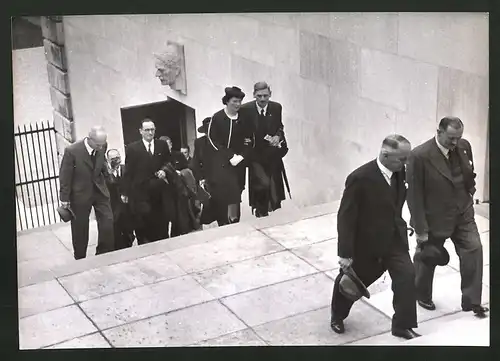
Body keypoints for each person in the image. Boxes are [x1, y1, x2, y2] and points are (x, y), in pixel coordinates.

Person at [331, 135, 420, 340]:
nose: (405, 163)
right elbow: (345, 218)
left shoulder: (399, 172)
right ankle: (338, 315)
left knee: (407, 277)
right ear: (385, 155)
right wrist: (345, 254)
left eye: (407, 159)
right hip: (367, 245)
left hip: (394, 241)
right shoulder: (359, 178)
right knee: (350, 284)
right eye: (402, 159)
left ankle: (402, 325)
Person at [407, 116, 488, 318]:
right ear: (439, 132)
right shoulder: (419, 156)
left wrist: (470, 191)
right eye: (451, 138)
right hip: (435, 218)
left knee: (474, 249)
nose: (455, 143)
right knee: (427, 258)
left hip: (463, 213)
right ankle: (422, 294)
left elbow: (469, 172)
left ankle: (472, 301)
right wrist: (420, 229)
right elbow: (414, 196)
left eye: (458, 137)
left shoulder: (463, 146)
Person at [59, 126, 114, 259]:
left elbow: (101, 163)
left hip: (99, 190)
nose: (101, 148)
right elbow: (65, 175)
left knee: (108, 221)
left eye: (102, 145)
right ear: (89, 139)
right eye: (98, 145)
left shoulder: (102, 146)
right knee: (80, 228)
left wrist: (108, 174)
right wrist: (64, 198)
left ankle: (103, 253)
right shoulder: (72, 151)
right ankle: (80, 257)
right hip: (80, 193)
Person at [240, 81, 291, 217]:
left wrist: (277, 137)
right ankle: (260, 212)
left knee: (274, 189)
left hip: (271, 155)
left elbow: (280, 127)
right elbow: (241, 132)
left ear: (270, 94)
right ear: (254, 95)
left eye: (265, 96)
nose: (262, 99)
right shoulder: (246, 110)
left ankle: (272, 212)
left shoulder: (276, 108)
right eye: (259, 96)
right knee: (262, 184)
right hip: (255, 156)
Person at [206, 86, 253, 225]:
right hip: (222, 163)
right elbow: (212, 140)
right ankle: (224, 221)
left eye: (239, 101)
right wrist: (229, 156)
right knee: (226, 193)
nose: (237, 104)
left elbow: (249, 139)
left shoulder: (244, 118)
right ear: (227, 101)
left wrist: (242, 156)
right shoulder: (218, 118)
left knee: (237, 192)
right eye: (234, 101)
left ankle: (234, 220)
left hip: (239, 163)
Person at [122, 119, 172, 244]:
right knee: (144, 231)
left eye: (152, 130)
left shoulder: (162, 145)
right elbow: (128, 172)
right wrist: (125, 192)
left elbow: (168, 162)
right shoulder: (132, 148)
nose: (150, 132)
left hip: (159, 194)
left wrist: (164, 171)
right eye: (147, 130)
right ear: (141, 131)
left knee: (161, 229)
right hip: (141, 195)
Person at [104, 149, 135, 250]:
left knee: (129, 232)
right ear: (108, 160)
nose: (116, 160)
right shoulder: (106, 173)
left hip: (127, 207)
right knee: (116, 234)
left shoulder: (125, 169)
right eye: (113, 159)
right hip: (114, 208)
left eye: (118, 157)